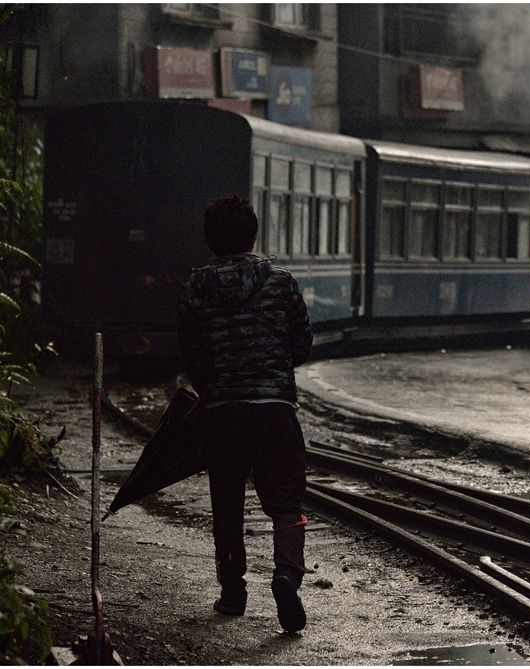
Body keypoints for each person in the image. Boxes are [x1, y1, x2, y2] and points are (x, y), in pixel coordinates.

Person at [177, 193, 312, 633]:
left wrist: (213, 387)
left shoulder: (195, 286)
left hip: (224, 412)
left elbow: (192, 354)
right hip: (275, 409)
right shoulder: (281, 280)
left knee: (228, 502)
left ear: (208, 241)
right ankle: (286, 575)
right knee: (286, 503)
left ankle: (233, 593)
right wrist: (270, 368)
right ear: (254, 235)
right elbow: (302, 345)